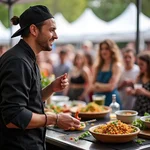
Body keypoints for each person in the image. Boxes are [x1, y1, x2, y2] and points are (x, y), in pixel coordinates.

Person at [0, 5, 80, 150]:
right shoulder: (18, 61)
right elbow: (14, 117)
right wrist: (55, 119)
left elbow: (28, 102)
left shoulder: (26, 57)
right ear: (34, 30)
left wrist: (51, 88)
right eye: (51, 30)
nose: (56, 36)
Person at [91, 39, 122, 107]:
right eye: (102, 49)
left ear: (112, 50)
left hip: (111, 101)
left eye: (106, 49)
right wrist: (105, 86)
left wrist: (97, 84)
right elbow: (91, 86)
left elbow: (111, 87)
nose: (104, 51)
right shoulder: (97, 66)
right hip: (97, 100)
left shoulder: (116, 65)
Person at [126, 51, 150, 116]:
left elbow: (143, 92)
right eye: (139, 64)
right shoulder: (139, 77)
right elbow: (136, 93)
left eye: (142, 64)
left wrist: (145, 92)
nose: (139, 67)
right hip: (138, 108)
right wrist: (131, 91)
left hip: (148, 111)